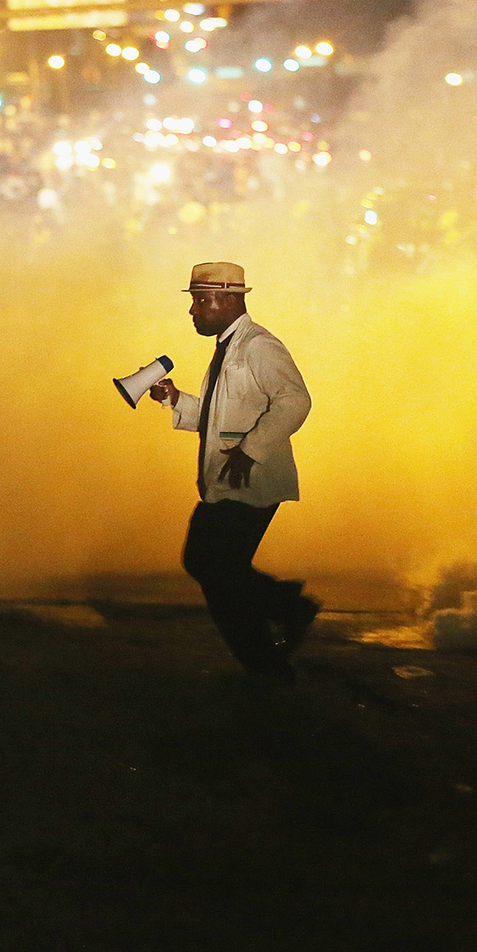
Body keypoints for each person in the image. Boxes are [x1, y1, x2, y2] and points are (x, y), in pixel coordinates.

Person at [149, 262, 317, 678]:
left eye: (201, 300)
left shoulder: (258, 346)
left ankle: (271, 651)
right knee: (214, 567)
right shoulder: (230, 347)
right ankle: (284, 615)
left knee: (213, 568)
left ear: (229, 299)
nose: (194, 310)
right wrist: (176, 401)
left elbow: (295, 401)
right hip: (231, 479)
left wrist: (251, 449)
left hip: (250, 480)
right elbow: (219, 415)